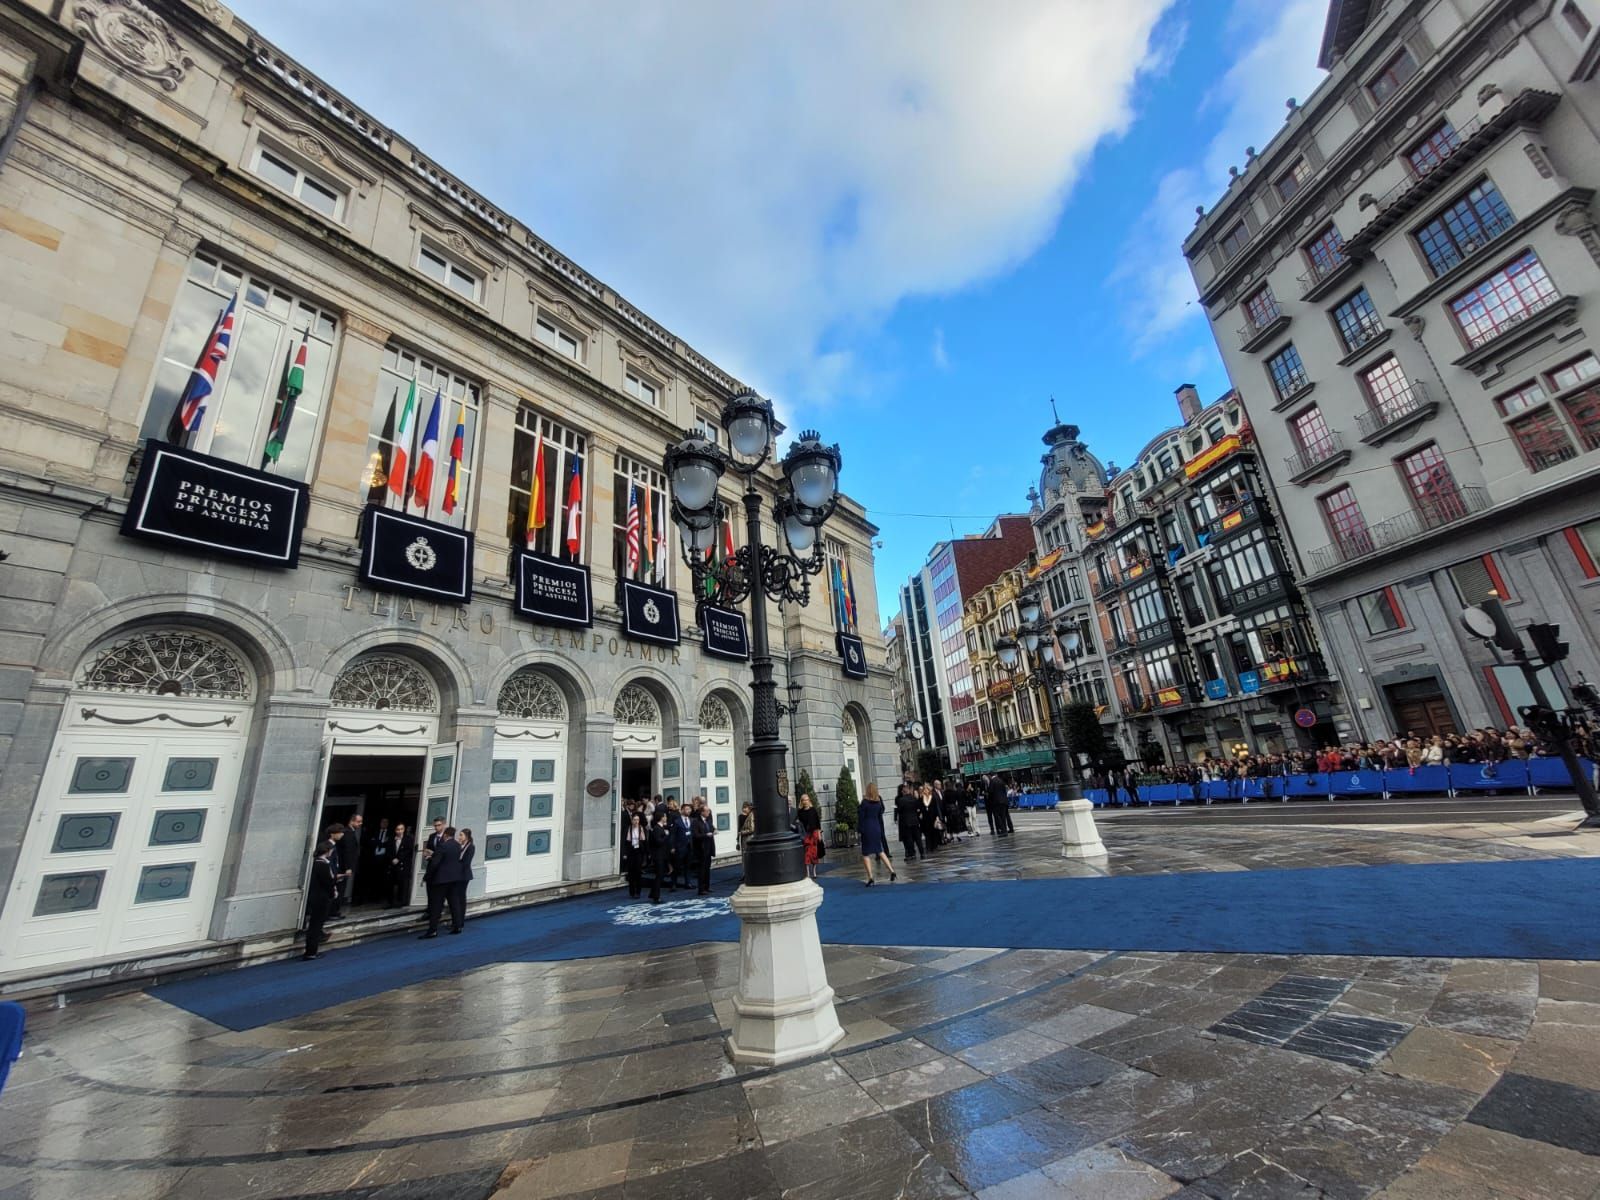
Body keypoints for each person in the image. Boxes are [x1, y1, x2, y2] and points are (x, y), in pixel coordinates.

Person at [419, 825, 467, 938]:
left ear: (445, 835)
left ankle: (433, 930)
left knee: (436, 904)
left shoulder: (442, 846)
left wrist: (427, 876)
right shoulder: (457, 846)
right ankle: (457, 925)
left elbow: (435, 863)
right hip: (454, 879)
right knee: (454, 902)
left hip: (441, 880)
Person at [303, 840, 338, 960]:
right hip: (321, 898)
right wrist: (333, 890)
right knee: (316, 925)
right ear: (327, 851)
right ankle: (311, 952)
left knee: (315, 924)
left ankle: (311, 951)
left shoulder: (317, 863)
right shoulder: (322, 864)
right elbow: (328, 882)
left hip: (317, 897)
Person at [858, 782, 895, 886]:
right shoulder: (878, 803)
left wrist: (860, 829)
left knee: (865, 853)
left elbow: (861, 817)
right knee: (879, 850)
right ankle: (892, 871)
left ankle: (870, 877)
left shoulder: (864, 803)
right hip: (876, 827)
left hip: (867, 828)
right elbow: (880, 815)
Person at [322, 823, 349, 918]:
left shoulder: (334, 845)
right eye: (340, 832)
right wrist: (334, 875)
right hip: (330, 876)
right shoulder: (328, 846)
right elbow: (327, 862)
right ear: (333, 834)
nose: (342, 834)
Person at [385, 822, 415, 908]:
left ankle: (402, 902)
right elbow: (388, 851)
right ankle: (390, 902)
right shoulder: (391, 839)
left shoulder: (408, 839)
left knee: (403, 884)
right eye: (398, 829)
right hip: (393, 865)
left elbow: (408, 850)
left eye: (401, 829)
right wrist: (392, 859)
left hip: (403, 865)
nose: (400, 831)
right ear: (395, 830)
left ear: (404, 830)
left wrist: (399, 858)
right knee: (391, 884)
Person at [690, 798, 716, 895]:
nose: (709, 812)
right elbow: (695, 835)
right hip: (701, 849)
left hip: (709, 847)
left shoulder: (708, 821)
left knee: (707, 869)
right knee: (701, 870)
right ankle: (701, 889)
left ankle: (707, 887)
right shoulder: (696, 822)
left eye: (709, 811)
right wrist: (706, 835)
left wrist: (714, 831)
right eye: (707, 811)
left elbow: (712, 829)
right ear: (702, 812)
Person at [647, 808, 673, 904]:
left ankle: (653, 893)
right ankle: (656, 896)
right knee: (659, 876)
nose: (666, 818)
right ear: (661, 818)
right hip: (658, 856)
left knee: (660, 875)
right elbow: (658, 842)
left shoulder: (661, 827)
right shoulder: (657, 829)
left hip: (662, 855)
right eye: (665, 816)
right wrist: (666, 835)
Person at [894, 782, 924, 861]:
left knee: (909, 839)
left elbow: (899, 810)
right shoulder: (913, 798)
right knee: (918, 838)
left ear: (903, 792)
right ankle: (922, 853)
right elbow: (918, 808)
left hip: (906, 822)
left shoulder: (901, 800)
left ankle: (912, 854)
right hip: (915, 821)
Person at [797, 793, 822, 881]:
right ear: (801, 801)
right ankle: (808, 872)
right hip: (806, 834)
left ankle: (814, 871)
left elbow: (818, 823)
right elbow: (799, 824)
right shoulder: (800, 812)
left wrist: (819, 834)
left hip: (814, 833)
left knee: (814, 853)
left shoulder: (813, 810)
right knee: (807, 853)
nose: (805, 802)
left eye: (807, 800)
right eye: (803, 800)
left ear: (809, 801)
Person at [622, 810, 647, 898]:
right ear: (632, 820)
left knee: (638, 872)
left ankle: (638, 892)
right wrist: (624, 853)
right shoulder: (628, 829)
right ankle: (631, 891)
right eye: (634, 820)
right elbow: (625, 842)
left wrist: (645, 853)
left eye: (637, 820)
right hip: (630, 851)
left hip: (638, 851)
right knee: (631, 872)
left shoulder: (641, 828)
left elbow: (644, 841)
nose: (636, 822)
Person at [668, 801, 692, 889]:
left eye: (689, 809)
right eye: (686, 809)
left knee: (688, 866)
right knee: (677, 866)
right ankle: (673, 883)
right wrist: (672, 847)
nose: (688, 811)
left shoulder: (692, 820)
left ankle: (688, 883)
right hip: (679, 847)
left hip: (689, 846)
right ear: (682, 810)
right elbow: (672, 835)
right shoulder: (677, 821)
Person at [454, 828, 475, 927]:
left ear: (466, 836)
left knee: (461, 897)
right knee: (458, 897)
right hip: (458, 874)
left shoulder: (470, 847)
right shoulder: (460, 846)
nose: (459, 837)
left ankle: (460, 920)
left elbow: (466, 862)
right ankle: (458, 920)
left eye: (461, 835)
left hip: (463, 875)